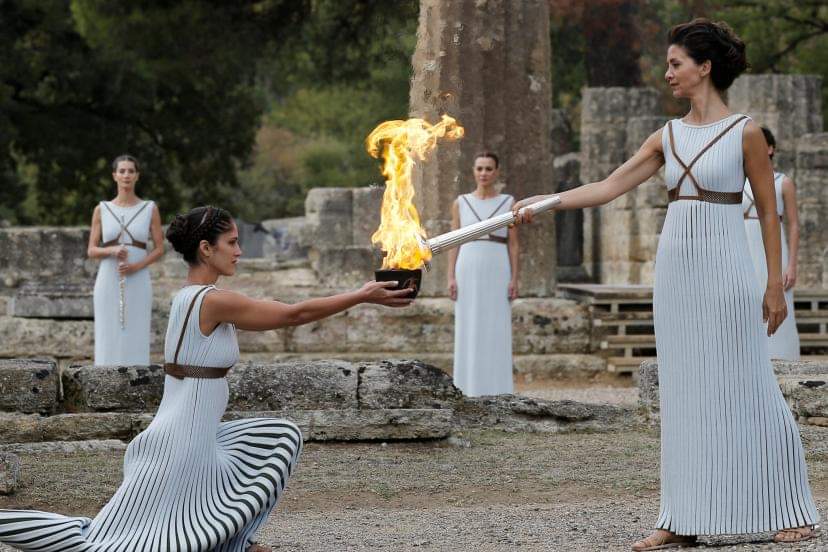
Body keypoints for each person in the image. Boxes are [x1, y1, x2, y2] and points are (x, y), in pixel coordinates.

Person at [514, 18, 819, 549]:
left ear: (705, 67)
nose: (668, 73)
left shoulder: (745, 131)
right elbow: (609, 185)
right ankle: (679, 517)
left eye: (676, 64)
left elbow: (769, 214)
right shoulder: (666, 136)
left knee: (749, 384)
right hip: (677, 273)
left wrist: (774, 284)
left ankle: (791, 507)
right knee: (682, 391)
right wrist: (547, 202)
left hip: (727, 269)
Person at [0, 206, 412, 552]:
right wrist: (362, 295)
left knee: (279, 436)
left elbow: (280, 308)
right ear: (206, 248)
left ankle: (235, 543)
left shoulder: (193, 297)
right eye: (231, 242)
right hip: (178, 444)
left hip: (194, 439)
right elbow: (293, 314)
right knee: (102, 543)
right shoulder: (211, 301)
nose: (239, 251)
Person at [447, 152, 519, 396]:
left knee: (496, 325)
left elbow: (514, 244)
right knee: (469, 324)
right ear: (473, 171)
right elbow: (453, 242)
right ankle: (466, 389)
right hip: (468, 266)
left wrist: (514, 278)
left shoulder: (509, 202)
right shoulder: (461, 202)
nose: (484, 173)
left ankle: (499, 390)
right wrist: (450, 276)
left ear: (496, 172)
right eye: (479, 168)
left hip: (497, 266)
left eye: (489, 168)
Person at [87, 154, 164, 365]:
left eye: (131, 171)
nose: (126, 175)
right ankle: (104, 379)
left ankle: (138, 379)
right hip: (108, 278)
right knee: (107, 332)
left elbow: (159, 249)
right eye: (122, 171)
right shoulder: (102, 209)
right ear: (115, 176)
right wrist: (111, 250)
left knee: (137, 330)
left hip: (138, 278)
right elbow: (92, 250)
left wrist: (136, 267)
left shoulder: (149, 208)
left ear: (137, 176)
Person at [743, 127, 801, 360]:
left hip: (774, 248)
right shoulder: (739, 183)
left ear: (770, 148)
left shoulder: (783, 182)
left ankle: (782, 356)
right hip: (745, 246)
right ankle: (747, 357)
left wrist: (792, 265)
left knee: (778, 299)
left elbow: (794, 225)